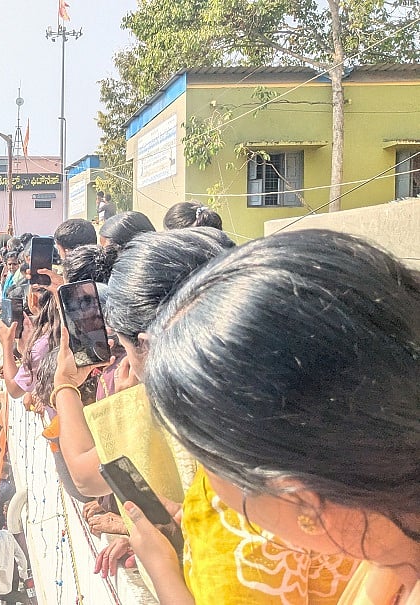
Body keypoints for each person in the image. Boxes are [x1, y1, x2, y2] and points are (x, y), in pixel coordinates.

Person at [126, 230, 420, 605]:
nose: (208, 493)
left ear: (303, 502)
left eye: (208, 462)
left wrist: (163, 571)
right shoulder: (393, 537)